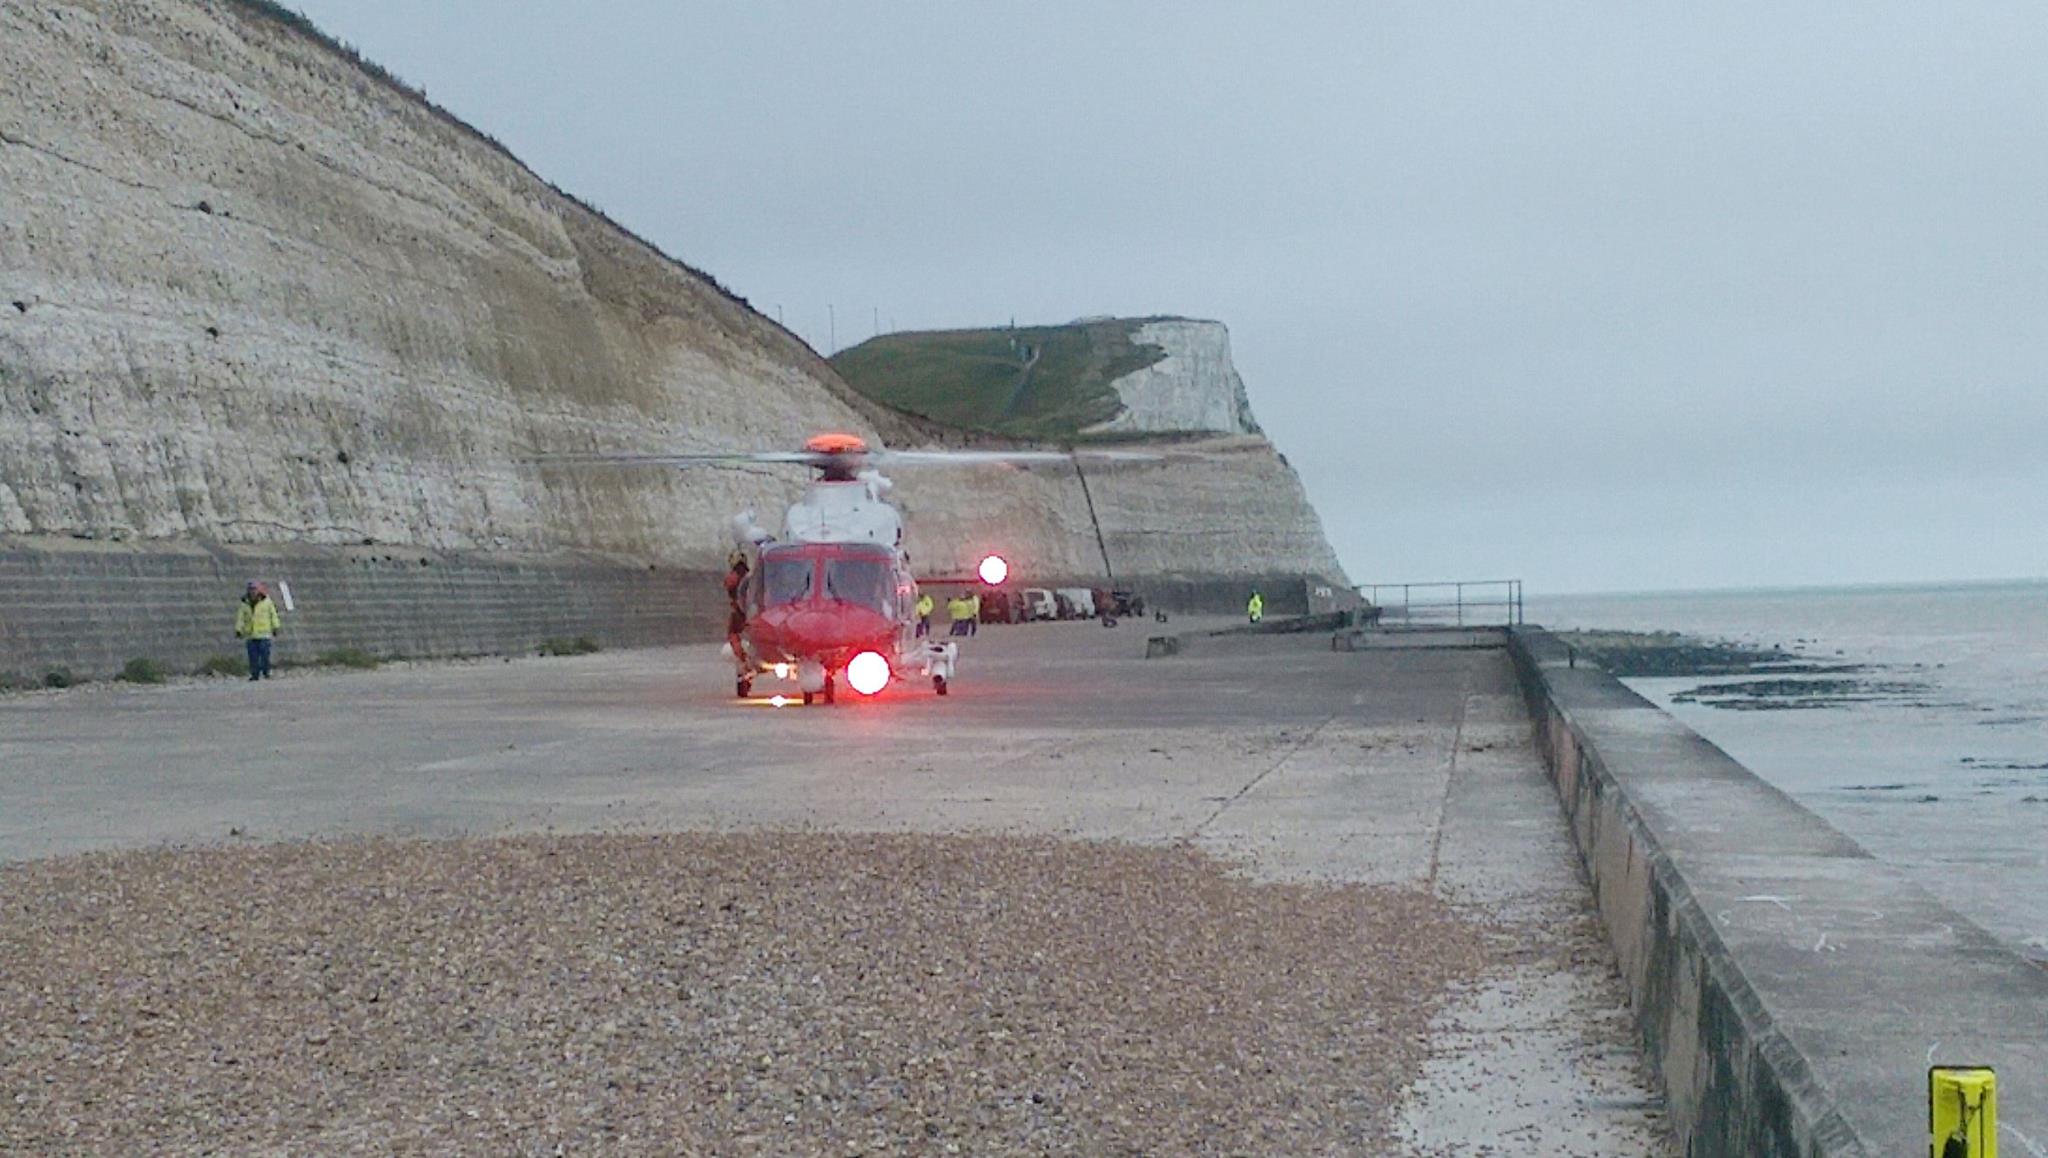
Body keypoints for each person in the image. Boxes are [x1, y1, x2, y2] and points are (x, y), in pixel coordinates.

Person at [234, 581, 282, 680]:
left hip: (264, 634)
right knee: (253, 657)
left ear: (259, 590)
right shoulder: (244, 604)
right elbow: (241, 618)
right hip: (250, 635)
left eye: (254, 589)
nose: (252, 591)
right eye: (251, 589)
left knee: (265, 656)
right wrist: (238, 629)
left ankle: (266, 672)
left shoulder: (267, 602)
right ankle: (254, 674)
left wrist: (275, 627)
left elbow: (273, 614)